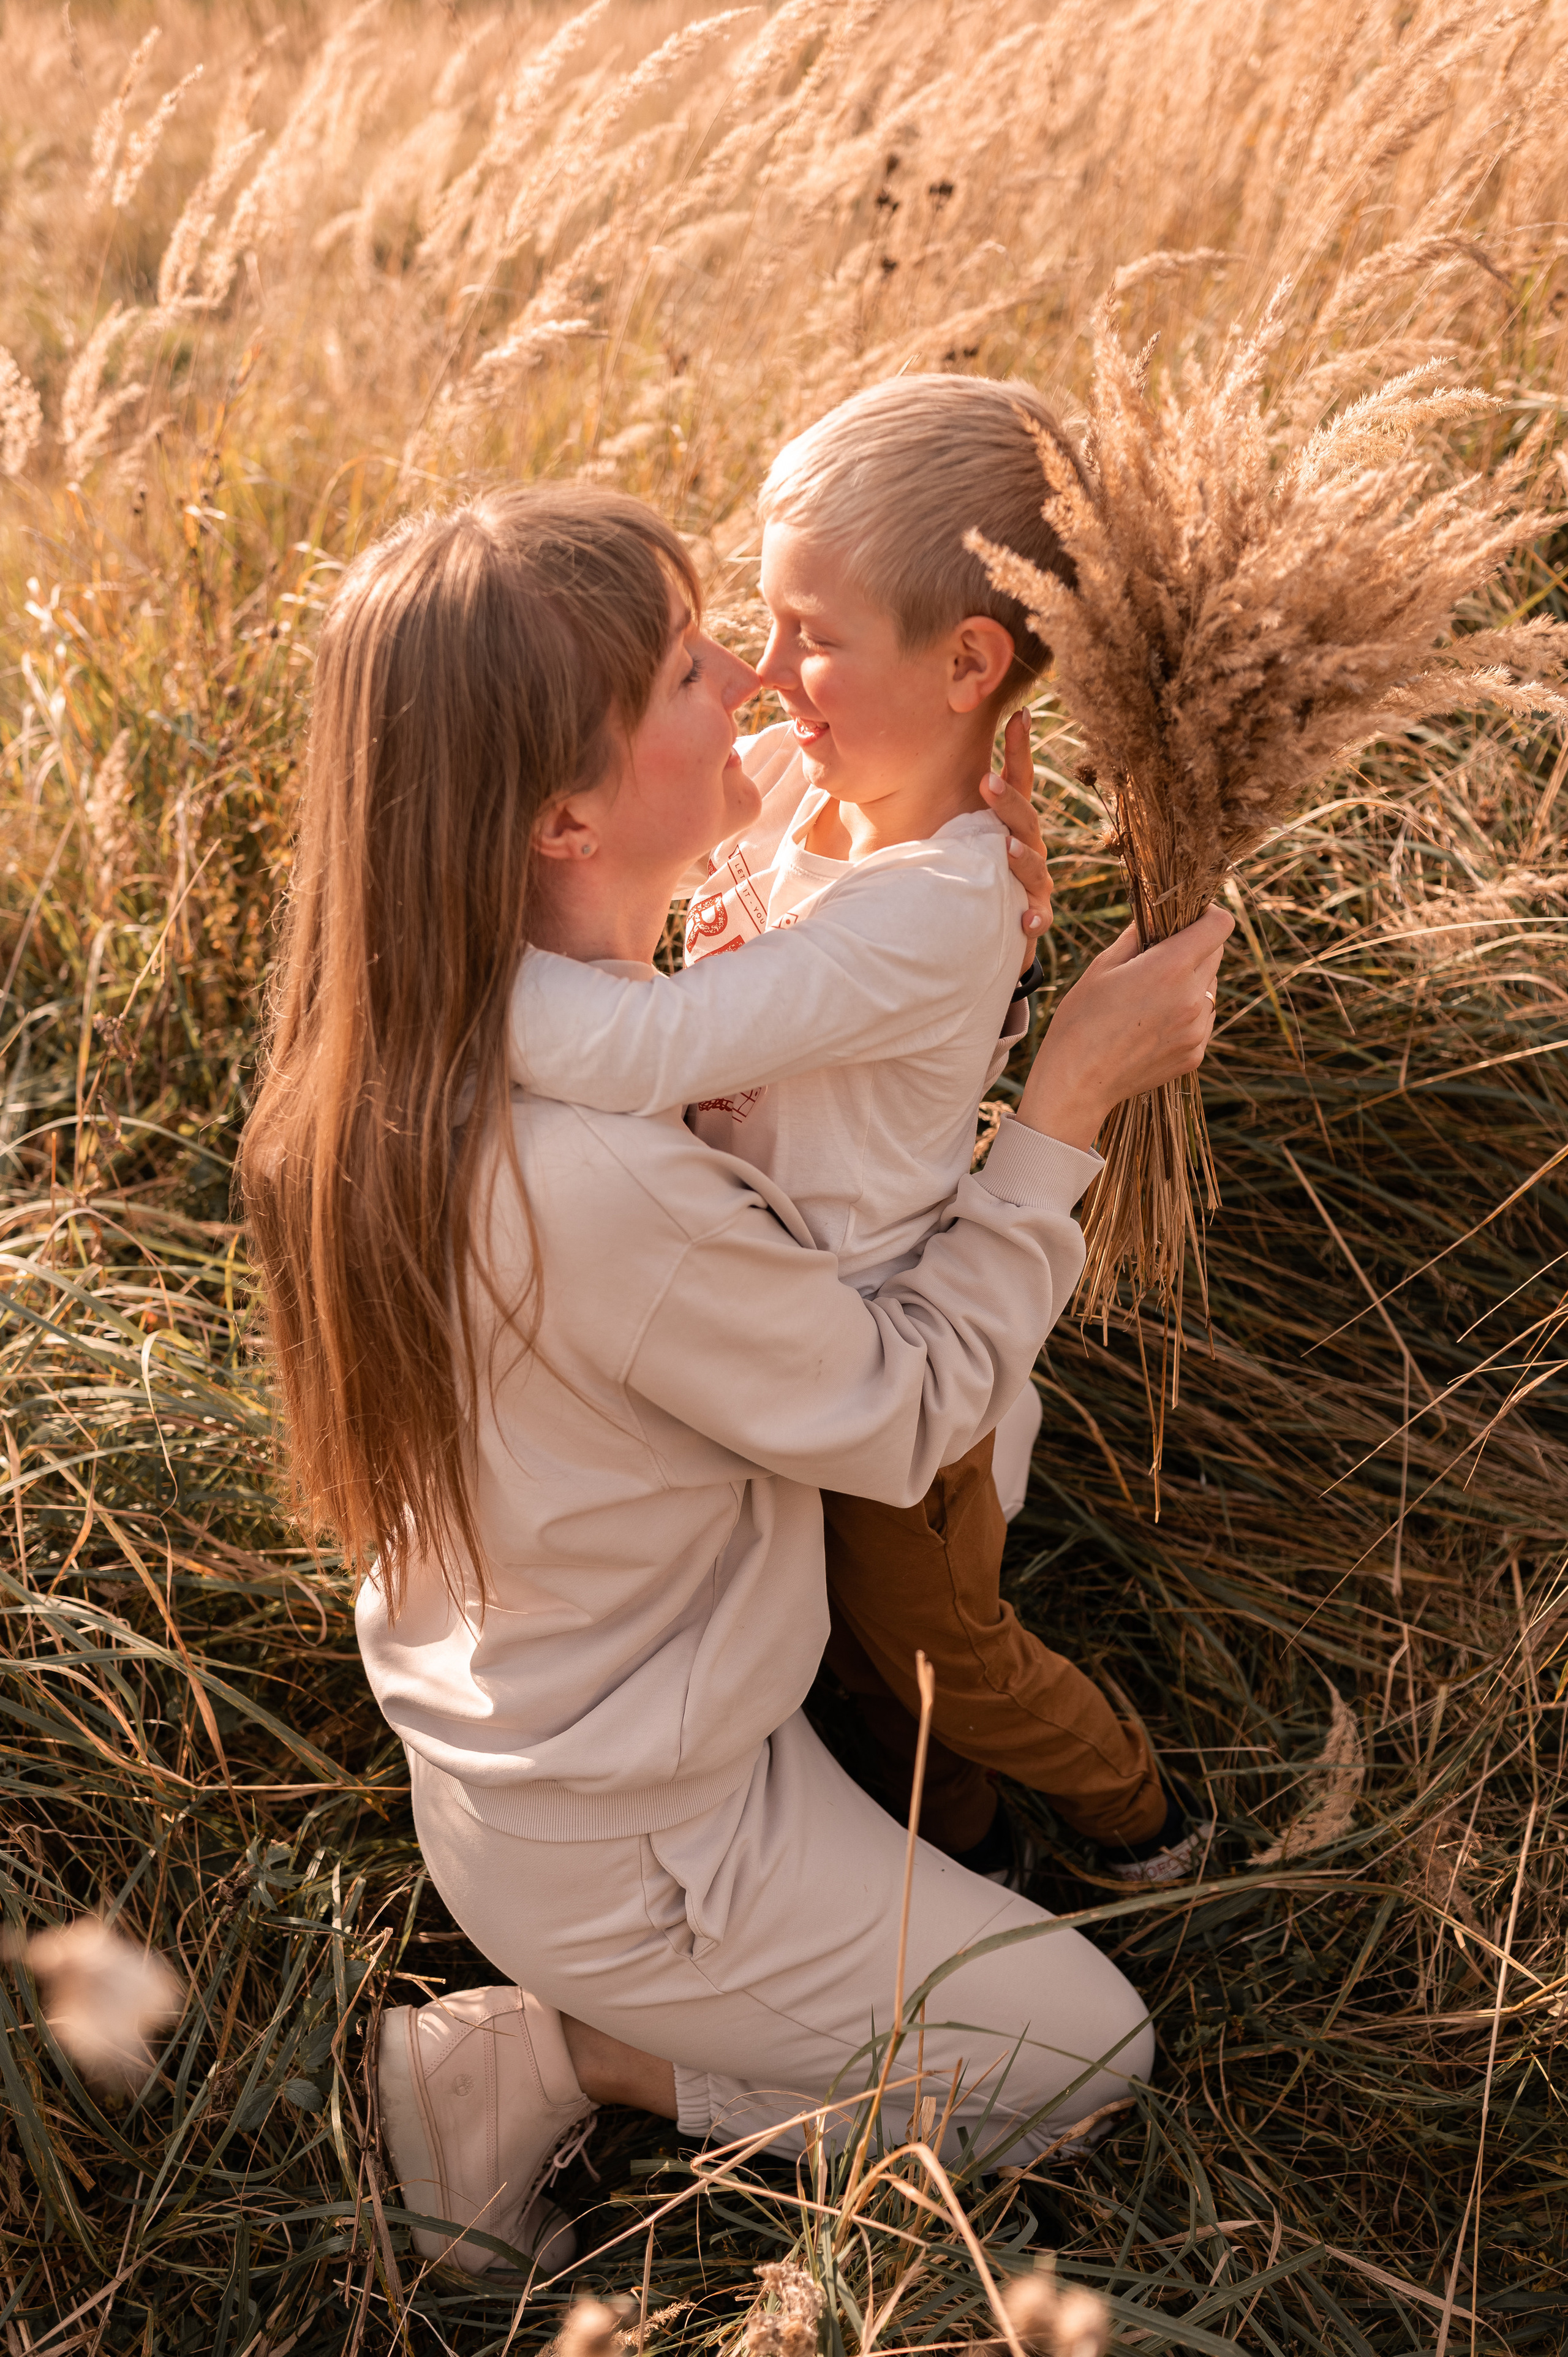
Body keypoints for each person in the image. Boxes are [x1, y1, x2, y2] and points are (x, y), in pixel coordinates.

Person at [240, 482, 1231, 2277]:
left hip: (564, 1732)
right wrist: (1067, 1101)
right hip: (648, 1840)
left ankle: (716, 1913)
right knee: (1084, 2062)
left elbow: (741, 996)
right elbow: (909, 1403)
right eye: (697, 668)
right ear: (563, 811)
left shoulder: (419, 1024)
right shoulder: (613, 1192)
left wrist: (918, 881)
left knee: (993, 1426)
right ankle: (541, 2054)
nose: (756, 684)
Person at [509, 376, 1205, 1890]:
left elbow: (641, 1045)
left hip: (885, 1370)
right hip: (772, 1331)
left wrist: (443, 973)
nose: (766, 675)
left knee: (938, 1656)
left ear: (967, 663)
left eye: (811, 633)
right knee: (855, 1663)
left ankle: (1138, 1820)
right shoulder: (792, 792)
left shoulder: (932, 911)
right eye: (763, 622)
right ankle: (951, 1846)